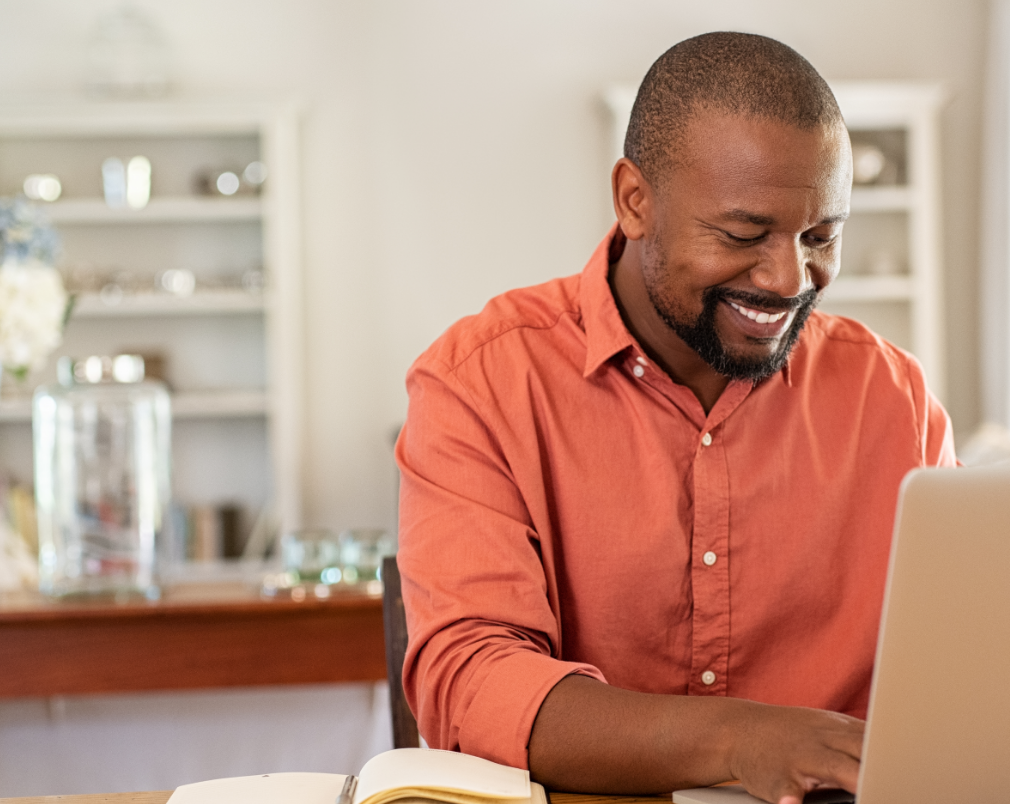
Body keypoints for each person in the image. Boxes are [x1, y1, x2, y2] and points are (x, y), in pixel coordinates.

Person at [395, 32, 957, 804]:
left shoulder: (892, 399)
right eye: (743, 234)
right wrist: (742, 739)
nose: (790, 278)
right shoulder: (480, 382)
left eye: (820, 236)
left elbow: (961, 664)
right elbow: (473, 681)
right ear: (635, 201)